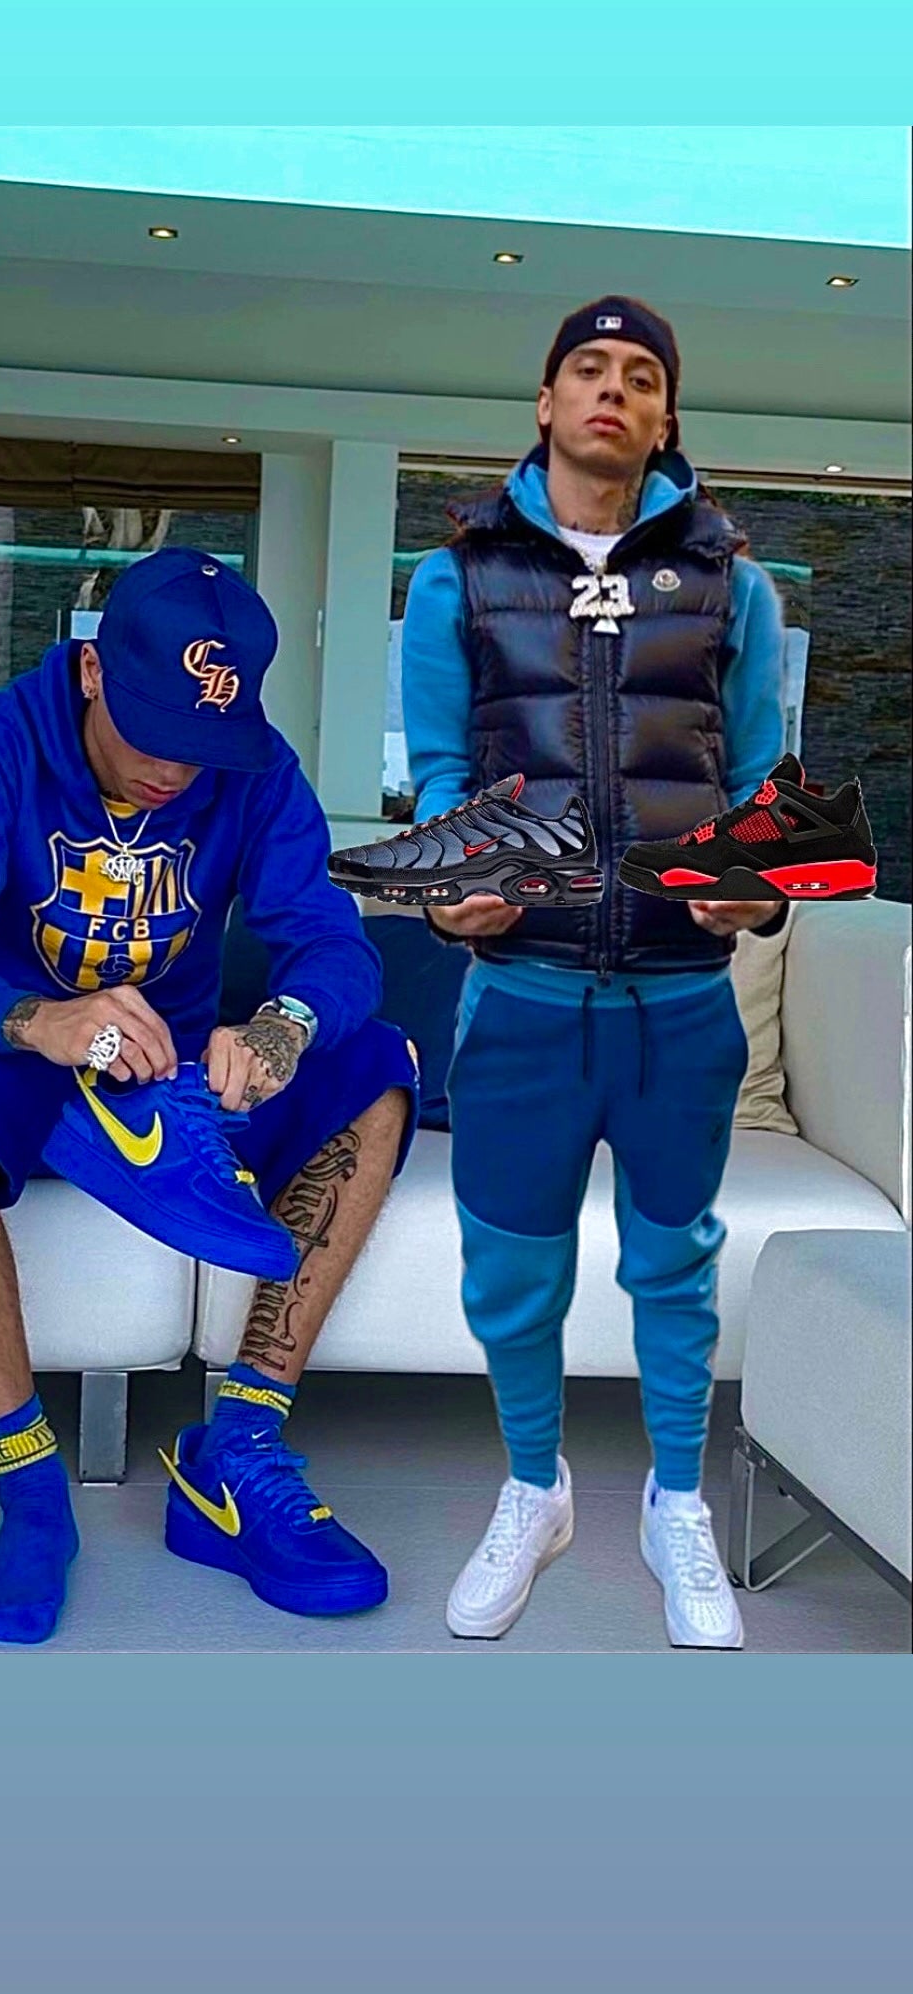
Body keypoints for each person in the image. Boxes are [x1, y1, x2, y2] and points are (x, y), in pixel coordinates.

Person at [0, 547, 418, 1643]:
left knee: (377, 1069)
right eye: (156, 732)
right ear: (93, 671)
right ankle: (31, 1495)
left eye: (205, 744)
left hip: (174, 1076)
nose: (176, 769)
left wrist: (283, 1026)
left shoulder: (257, 768)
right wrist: (39, 1019)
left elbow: (332, 947)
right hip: (23, 1057)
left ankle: (237, 1454)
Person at [400, 296, 787, 1649]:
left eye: (640, 376)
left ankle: (675, 1503)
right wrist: (452, 888)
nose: (612, 390)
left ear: (665, 418)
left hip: (681, 1003)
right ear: (546, 402)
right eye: (587, 369)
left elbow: (758, 786)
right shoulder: (455, 578)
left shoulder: (734, 585)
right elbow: (438, 779)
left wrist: (757, 882)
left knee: (673, 1267)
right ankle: (535, 1488)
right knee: (511, 1275)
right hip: (521, 1001)